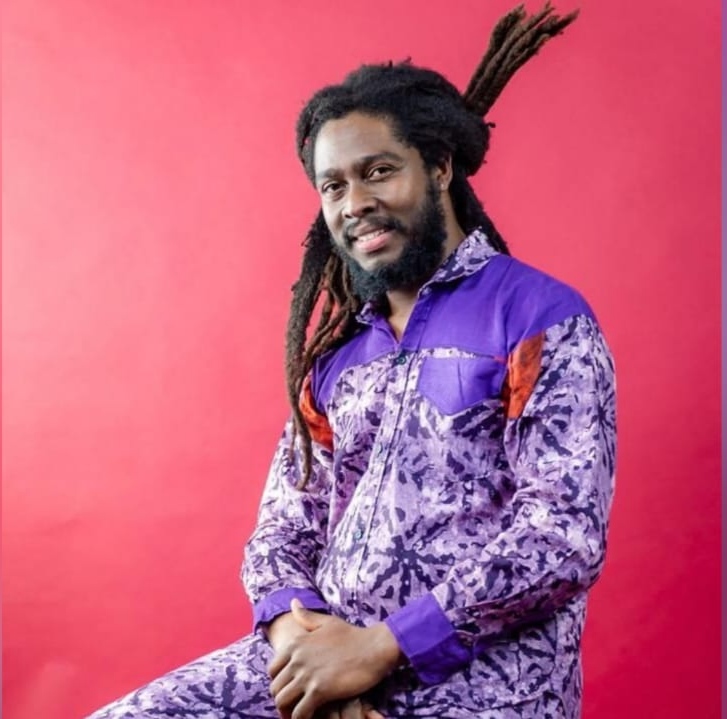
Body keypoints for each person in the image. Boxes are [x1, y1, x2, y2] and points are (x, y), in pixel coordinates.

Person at [88, 5, 616, 719]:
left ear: (439, 168)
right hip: (325, 653)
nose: (355, 203)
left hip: (485, 682)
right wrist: (309, 654)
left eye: (378, 172)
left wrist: (380, 648)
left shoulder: (537, 318)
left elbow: (561, 535)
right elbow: (284, 527)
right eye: (333, 186)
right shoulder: (339, 354)